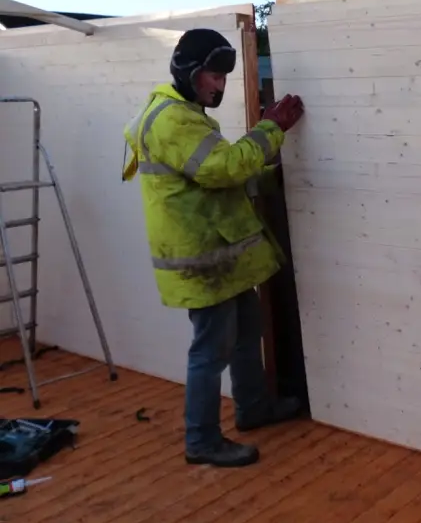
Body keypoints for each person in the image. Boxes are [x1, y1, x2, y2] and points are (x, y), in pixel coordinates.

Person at [122, 28, 307, 468]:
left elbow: (209, 178)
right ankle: (201, 439)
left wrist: (261, 176)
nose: (219, 85)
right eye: (211, 76)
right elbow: (221, 169)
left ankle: (253, 408)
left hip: (218, 253)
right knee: (210, 350)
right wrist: (272, 127)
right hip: (201, 257)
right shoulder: (173, 120)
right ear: (187, 72)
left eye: (225, 77)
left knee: (246, 334)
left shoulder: (182, 111)